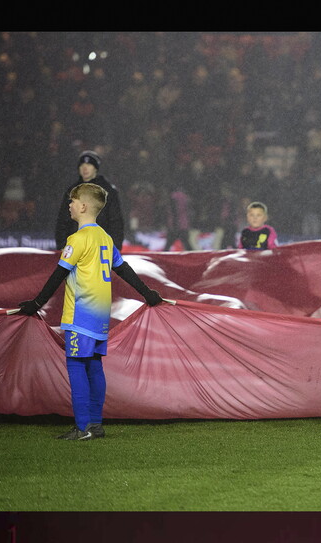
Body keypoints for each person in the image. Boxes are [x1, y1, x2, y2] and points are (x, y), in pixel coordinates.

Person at [19, 183, 163, 440]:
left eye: (72, 201)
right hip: (100, 317)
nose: (70, 205)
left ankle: (82, 427)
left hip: (79, 315)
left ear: (83, 206)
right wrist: (147, 293)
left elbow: (58, 274)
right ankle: (95, 425)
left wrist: (36, 304)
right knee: (94, 366)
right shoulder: (105, 238)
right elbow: (124, 269)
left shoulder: (77, 239)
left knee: (76, 366)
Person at [54, 150, 126, 251]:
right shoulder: (72, 191)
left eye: (89, 164)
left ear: (95, 168)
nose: (85, 168)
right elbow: (63, 220)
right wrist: (62, 245)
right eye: (82, 165)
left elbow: (115, 222)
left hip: (100, 248)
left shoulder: (108, 191)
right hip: (75, 249)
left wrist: (115, 248)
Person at [164, 185, 194, 251]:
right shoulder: (185, 196)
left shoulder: (173, 196)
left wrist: (174, 225)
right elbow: (189, 210)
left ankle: (161, 258)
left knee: (168, 243)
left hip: (175, 224)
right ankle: (194, 256)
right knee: (186, 242)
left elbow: (174, 211)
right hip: (184, 223)